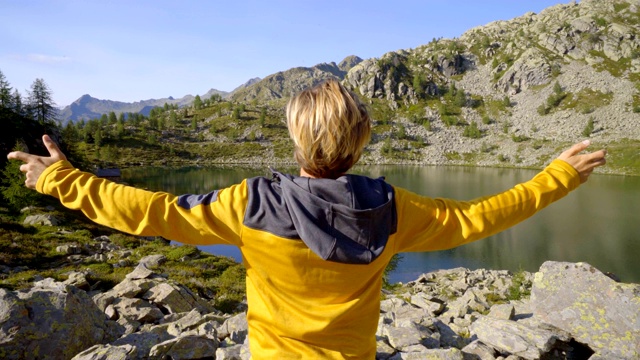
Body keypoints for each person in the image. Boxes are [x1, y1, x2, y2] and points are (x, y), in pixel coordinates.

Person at [8, 79, 606, 359]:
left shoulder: (251, 203)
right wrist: (556, 176)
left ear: (296, 136)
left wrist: (60, 177)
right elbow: (480, 217)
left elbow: (152, 213)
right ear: (363, 139)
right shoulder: (396, 210)